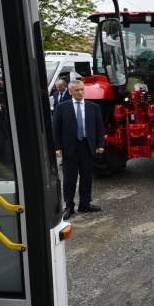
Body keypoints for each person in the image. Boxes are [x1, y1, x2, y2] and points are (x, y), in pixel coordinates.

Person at [52, 79, 106, 220]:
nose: (80, 92)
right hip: (70, 148)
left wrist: (101, 144)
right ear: (70, 91)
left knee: (87, 177)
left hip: (87, 147)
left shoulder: (93, 107)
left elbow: (99, 128)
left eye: (82, 89)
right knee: (69, 178)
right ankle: (69, 206)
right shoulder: (62, 107)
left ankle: (85, 203)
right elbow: (55, 129)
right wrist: (57, 147)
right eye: (77, 90)